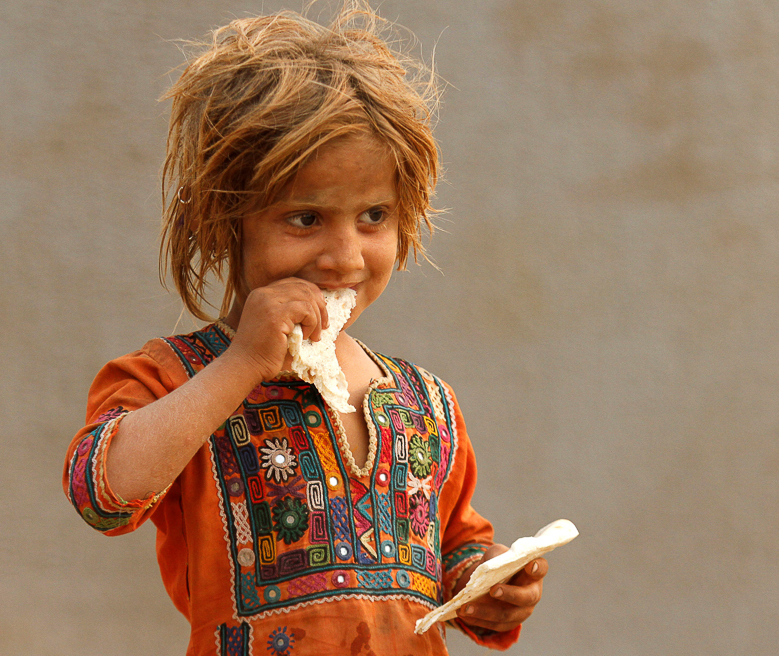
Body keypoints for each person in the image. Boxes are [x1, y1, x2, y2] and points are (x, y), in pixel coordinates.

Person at [63, 2, 547, 653]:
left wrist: (486, 584)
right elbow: (101, 490)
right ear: (222, 221)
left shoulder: (425, 406)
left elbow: (451, 546)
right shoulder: (174, 378)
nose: (344, 255)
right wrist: (241, 364)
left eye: (373, 215)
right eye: (305, 218)